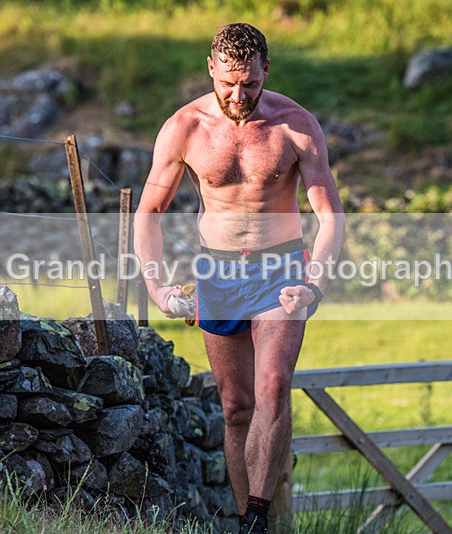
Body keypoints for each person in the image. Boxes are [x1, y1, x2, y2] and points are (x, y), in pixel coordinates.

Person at [134, 23, 344, 533]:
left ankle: (256, 516)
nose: (238, 95)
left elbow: (330, 214)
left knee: (273, 386)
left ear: (265, 71)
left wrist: (314, 282)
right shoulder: (184, 128)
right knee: (235, 407)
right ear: (211, 69)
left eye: (249, 83)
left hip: (281, 269)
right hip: (218, 273)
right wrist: (157, 286)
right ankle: (244, 516)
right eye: (228, 83)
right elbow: (148, 212)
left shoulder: (295, 125)